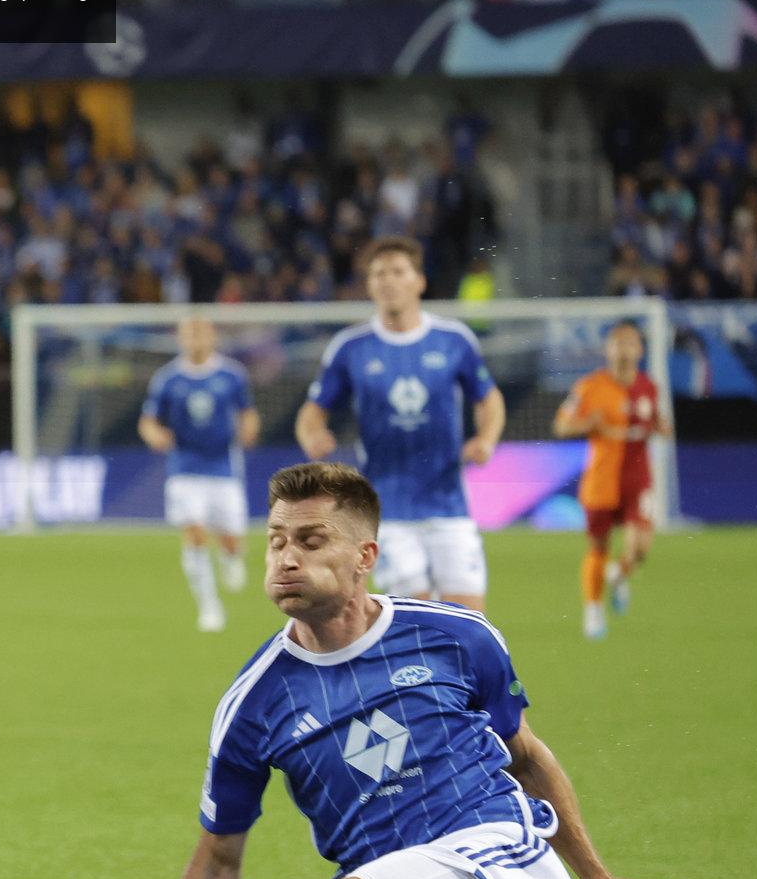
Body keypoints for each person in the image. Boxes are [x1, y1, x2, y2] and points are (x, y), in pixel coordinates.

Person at [12, 462, 721, 879]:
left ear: (364, 556)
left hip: (507, 878)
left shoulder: (454, 635)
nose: (286, 558)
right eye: (275, 541)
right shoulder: (252, 701)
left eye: (311, 540)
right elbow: (216, 864)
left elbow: (527, 759)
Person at [296, 236, 505, 611]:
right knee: (415, 619)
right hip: (386, 510)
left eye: (397, 271)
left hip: (449, 505)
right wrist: (314, 435)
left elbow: (488, 398)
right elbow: (313, 411)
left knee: (471, 621)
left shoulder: (453, 340)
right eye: (379, 274)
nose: (388, 280)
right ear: (370, 285)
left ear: (418, 281)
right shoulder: (351, 347)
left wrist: (486, 439)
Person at [138, 317, 258, 632]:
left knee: (230, 539)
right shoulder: (168, 379)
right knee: (193, 533)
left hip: (223, 467)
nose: (194, 340)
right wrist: (154, 435)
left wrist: (248, 431)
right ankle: (209, 608)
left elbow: (247, 412)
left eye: (200, 334)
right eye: (188, 335)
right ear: (180, 339)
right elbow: (149, 419)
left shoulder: (231, 375)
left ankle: (232, 557)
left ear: (212, 337)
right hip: (184, 468)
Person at [554, 320, 670, 640]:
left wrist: (661, 428)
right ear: (607, 350)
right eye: (617, 343)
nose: (623, 350)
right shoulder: (589, 387)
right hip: (601, 481)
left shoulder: (649, 388)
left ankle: (618, 575)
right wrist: (587, 423)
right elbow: (561, 426)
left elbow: (660, 424)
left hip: (638, 479)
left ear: (640, 350)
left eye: (630, 343)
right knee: (598, 547)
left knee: (640, 548)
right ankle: (593, 608)